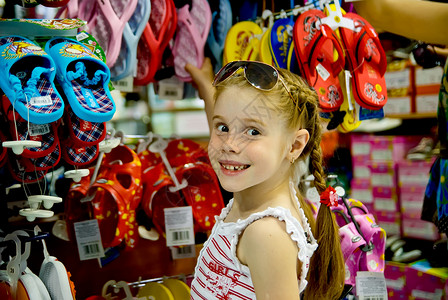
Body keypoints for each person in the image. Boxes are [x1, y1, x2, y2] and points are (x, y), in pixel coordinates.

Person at [186, 60, 345, 299]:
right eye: (222, 127)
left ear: (294, 145)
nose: (230, 145)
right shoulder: (259, 195)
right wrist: (206, 86)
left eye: (253, 132)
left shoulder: (265, 234)